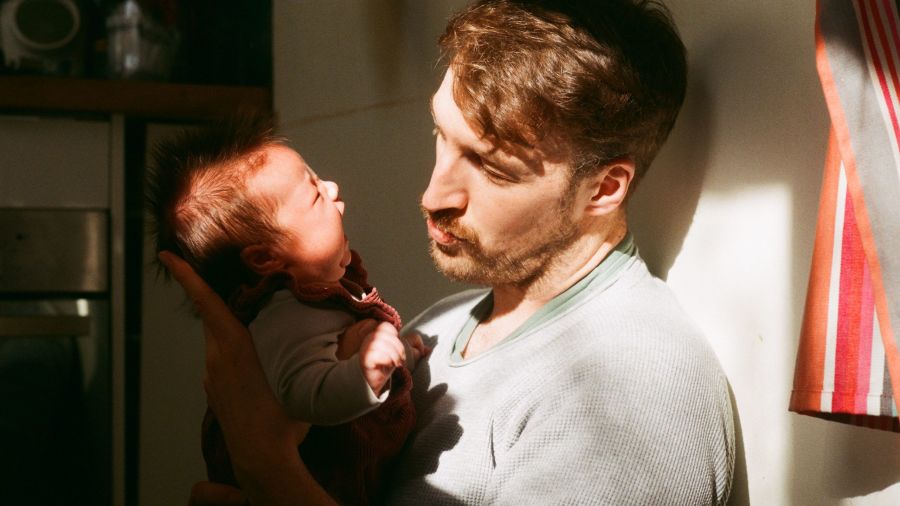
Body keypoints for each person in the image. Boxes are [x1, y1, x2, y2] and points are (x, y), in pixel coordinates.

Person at [163, 1, 736, 504]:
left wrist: (266, 467)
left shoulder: (633, 392)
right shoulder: (437, 326)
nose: (434, 195)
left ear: (604, 189)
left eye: (492, 167)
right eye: (442, 133)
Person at [146, 114, 425, 505]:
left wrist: (403, 354)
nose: (332, 187)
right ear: (265, 259)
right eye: (314, 194)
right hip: (328, 481)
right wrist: (367, 373)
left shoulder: (307, 304)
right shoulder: (287, 314)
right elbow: (304, 394)